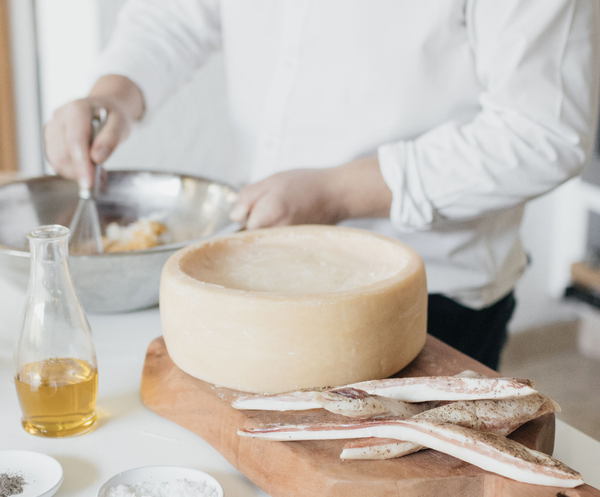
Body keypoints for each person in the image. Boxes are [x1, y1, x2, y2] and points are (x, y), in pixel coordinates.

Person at [45, 0, 600, 370]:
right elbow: (175, 15)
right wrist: (113, 94)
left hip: (430, 295)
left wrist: (339, 191)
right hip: (261, 269)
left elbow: (544, 132)